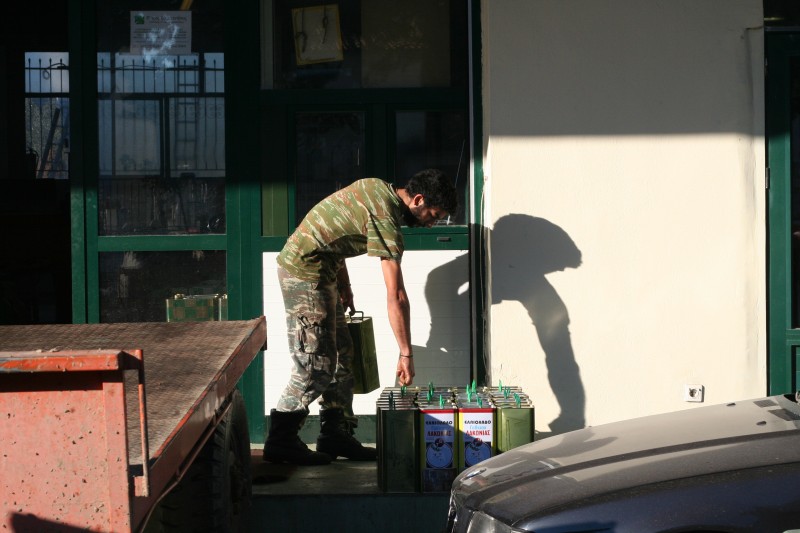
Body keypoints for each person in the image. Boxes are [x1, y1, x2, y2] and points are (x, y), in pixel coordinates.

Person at [263, 169, 458, 465]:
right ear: (418, 200)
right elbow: (396, 296)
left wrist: (344, 285)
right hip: (303, 273)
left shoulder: (377, 187)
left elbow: (333, 231)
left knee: (343, 354)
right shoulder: (386, 218)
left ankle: (335, 433)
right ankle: (281, 440)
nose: (432, 223)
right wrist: (406, 353)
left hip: (324, 271)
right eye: (433, 215)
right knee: (315, 363)